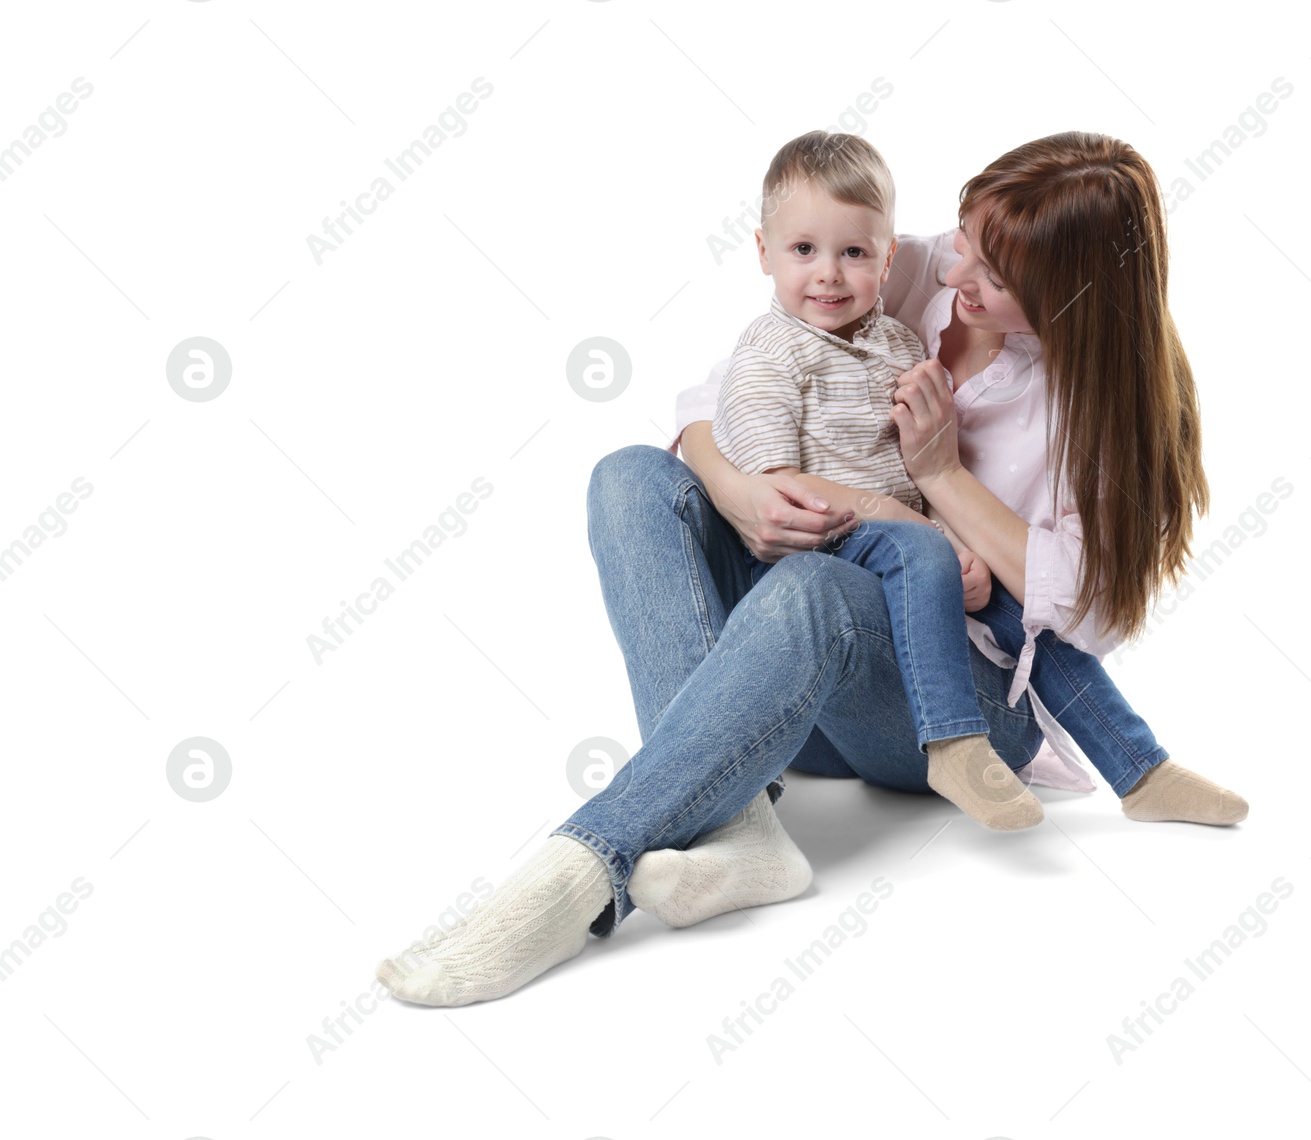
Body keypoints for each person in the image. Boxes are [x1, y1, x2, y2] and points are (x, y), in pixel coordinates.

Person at [375, 132, 1247, 1009]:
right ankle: (742, 825)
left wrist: (940, 478)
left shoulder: (1104, 409)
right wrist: (742, 490)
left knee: (814, 589)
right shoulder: (906, 267)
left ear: (1072, 299)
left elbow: (1094, 615)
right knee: (630, 477)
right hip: (807, 686)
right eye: (964, 242)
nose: (952, 275)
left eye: (991, 274)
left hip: (960, 699)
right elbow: (717, 398)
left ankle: (580, 871)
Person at [711, 129, 1042, 831]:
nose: (829, 273)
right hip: (815, 567)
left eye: (854, 254)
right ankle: (947, 741)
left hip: (902, 641)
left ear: (886, 260)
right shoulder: (769, 354)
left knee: (1006, 608)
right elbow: (777, 484)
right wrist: (913, 526)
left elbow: (921, 477)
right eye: (804, 250)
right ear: (763, 252)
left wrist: (961, 552)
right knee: (631, 478)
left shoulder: (895, 342)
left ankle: (1137, 762)